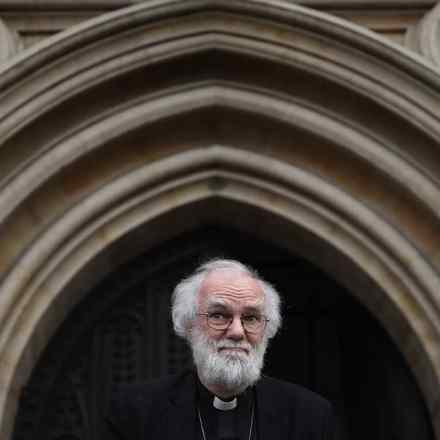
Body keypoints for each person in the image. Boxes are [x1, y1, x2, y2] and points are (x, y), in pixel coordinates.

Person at [107, 259, 335, 439]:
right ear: (189, 324)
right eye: (218, 315)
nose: (237, 332)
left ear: (267, 328)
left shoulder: (310, 415)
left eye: (251, 318)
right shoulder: (134, 411)